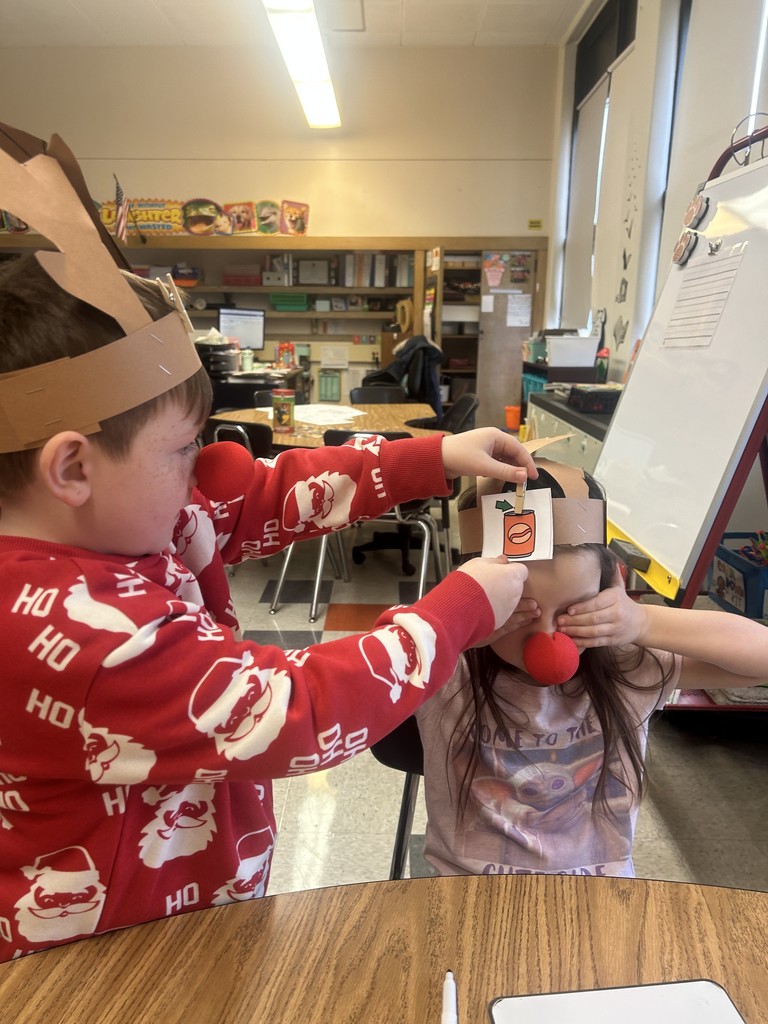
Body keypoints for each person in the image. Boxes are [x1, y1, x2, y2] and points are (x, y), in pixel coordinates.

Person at [0, 132, 536, 960]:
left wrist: (434, 456)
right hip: (107, 963)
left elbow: (255, 493)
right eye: (182, 450)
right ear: (72, 465)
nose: (200, 470)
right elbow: (295, 711)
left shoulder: (123, 516)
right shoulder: (78, 631)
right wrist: (466, 605)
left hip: (176, 911)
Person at [416, 455, 768, 878]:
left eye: (574, 608)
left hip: (601, 899)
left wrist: (645, 621)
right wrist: (451, 628)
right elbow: (340, 698)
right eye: (519, 609)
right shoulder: (444, 667)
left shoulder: (625, 667)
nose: (548, 637)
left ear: (610, 589)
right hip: (467, 893)